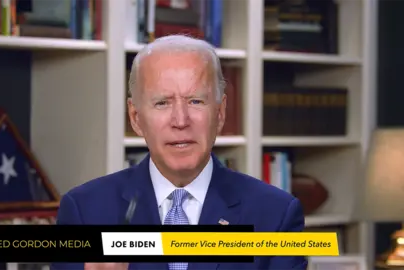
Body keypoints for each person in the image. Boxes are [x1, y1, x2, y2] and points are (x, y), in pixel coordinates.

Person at [51, 35, 307, 270]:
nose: (181, 120)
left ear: (219, 113)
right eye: (162, 103)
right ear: (135, 117)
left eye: (196, 101)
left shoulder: (276, 217)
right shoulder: (85, 212)